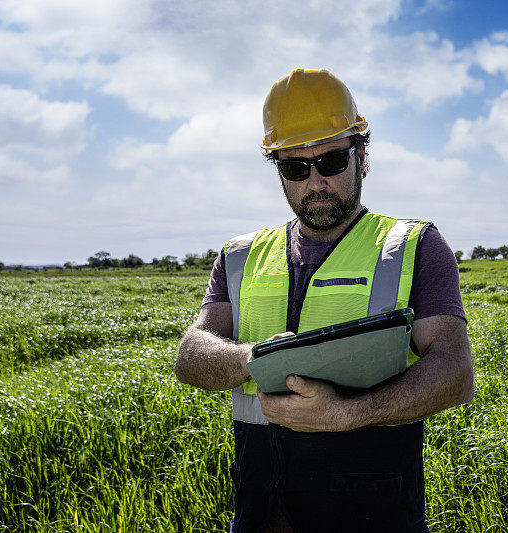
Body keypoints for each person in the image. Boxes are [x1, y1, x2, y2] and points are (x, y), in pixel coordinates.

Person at [175, 68, 473, 532]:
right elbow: (191, 357)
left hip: (374, 515)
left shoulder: (413, 247)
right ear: (278, 168)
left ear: (363, 155)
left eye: (332, 162)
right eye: (295, 167)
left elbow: (455, 373)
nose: (315, 182)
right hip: (260, 512)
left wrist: (349, 413)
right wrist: (255, 357)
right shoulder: (240, 256)